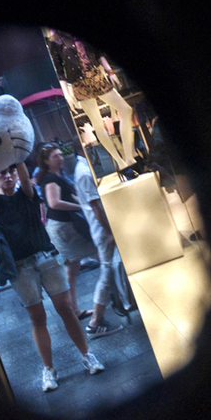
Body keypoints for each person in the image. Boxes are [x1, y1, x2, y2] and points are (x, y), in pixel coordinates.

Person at [0, 161, 105, 392]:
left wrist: (13, 156)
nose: (8, 176)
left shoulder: (27, 194)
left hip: (45, 256)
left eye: (10, 172)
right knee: (37, 318)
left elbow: (23, 172)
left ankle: (88, 355)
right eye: (2, 174)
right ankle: (49, 370)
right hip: (19, 267)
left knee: (65, 307)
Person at [38, 144, 122, 337]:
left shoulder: (56, 176)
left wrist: (81, 203)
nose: (59, 158)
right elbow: (54, 203)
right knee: (101, 257)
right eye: (55, 156)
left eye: (60, 155)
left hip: (62, 227)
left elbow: (70, 197)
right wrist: (82, 207)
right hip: (64, 228)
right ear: (46, 161)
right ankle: (102, 308)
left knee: (73, 268)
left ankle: (74, 309)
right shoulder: (51, 178)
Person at [71, 144, 124, 337]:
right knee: (107, 271)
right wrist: (109, 231)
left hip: (99, 229)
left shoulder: (81, 168)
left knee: (109, 270)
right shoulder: (84, 172)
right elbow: (95, 208)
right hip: (101, 231)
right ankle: (95, 322)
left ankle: (107, 311)